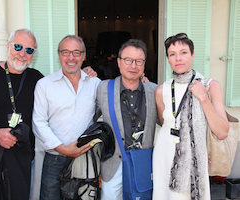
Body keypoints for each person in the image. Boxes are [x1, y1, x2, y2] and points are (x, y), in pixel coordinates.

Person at [0, 29, 96, 200]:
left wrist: (84, 74)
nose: (22, 54)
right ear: (8, 46)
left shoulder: (38, 80)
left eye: (29, 50)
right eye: (18, 47)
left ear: (33, 54)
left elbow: (64, 87)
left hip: (21, 163)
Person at [152, 33, 229, 200]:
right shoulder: (161, 90)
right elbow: (166, 123)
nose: (178, 58)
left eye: (184, 52)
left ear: (192, 55)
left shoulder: (209, 85)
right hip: (164, 155)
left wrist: (203, 98)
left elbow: (222, 131)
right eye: (172, 54)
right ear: (168, 58)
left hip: (194, 158)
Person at [32, 35, 101, 200]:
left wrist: (141, 81)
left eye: (76, 52)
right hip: (55, 159)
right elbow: (39, 122)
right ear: (59, 55)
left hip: (86, 159)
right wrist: (63, 149)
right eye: (65, 52)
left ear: (84, 56)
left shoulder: (96, 84)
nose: (71, 57)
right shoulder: (45, 84)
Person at [95, 39, 158, 200]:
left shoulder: (154, 91)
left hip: (143, 163)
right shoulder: (103, 88)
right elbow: (89, 116)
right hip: (113, 164)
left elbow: (171, 123)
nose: (133, 65)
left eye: (139, 61)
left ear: (144, 64)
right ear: (119, 62)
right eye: (128, 60)